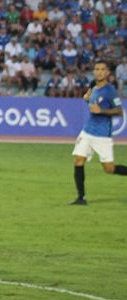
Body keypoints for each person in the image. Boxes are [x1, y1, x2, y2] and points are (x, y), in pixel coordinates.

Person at [70, 61, 127, 205]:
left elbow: (119, 111)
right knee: (78, 160)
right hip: (87, 131)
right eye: (96, 69)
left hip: (102, 135)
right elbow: (91, 103)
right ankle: (81, 198)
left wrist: (101, 111)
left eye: (102, 69)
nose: (99, 71)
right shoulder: (93, 86)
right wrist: (86, 99)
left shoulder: (110, 91)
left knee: (109, 168)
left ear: (108, 73)